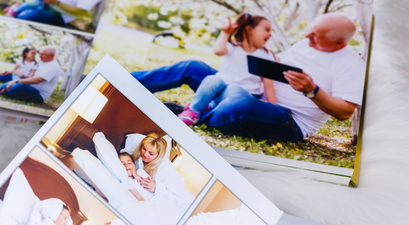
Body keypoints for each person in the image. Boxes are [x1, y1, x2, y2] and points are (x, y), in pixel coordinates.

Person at [132, 12, 366, 142]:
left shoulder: (349, 64)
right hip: (248, 89)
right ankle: (128, 82)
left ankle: (192, 113)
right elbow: (271, 66)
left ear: (339, 42)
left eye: (316, 36)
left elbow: (344, 112)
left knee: (240, 104)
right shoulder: (306, 42)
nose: (307, 36)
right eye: (310, 30)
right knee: (193, 67)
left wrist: (312, 90)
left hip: (287, 118)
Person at [178, 13, 276, 126]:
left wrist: (268, 102)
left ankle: (208, 107)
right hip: (220, 91)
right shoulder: (233, 46)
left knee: (233, 90)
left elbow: (269, 83)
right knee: (212, 79)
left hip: (241, 97)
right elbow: (218, 50)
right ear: (249, 29)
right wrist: (225, 33)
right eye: (267, 30)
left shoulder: (265, 56)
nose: (270, 34)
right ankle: (194, 111)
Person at [130, 133, 194, 209]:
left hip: (185, 202)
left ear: (159, 155)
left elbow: (177, 193)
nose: (145, 154)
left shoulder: (165, 167)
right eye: (144, 149)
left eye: (151, 153)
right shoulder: (138, 160)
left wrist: (157, 188)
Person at [5, 0, 101, 29]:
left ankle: (15, 11)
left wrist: (55, 2)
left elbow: (80, 11)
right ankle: (16, 9)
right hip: (44, 3)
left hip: (59, 14)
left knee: (23, 17)